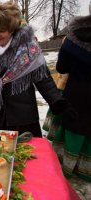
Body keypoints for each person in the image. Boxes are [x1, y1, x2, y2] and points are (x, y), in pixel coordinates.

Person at [0, 1, 72, 137]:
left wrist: (57, 101)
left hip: (22, 117)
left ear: (12, 29)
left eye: (2, 31)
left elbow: (43, 79)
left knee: (24, 155)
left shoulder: (28, 49)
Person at [52, 12, 91, 181]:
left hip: (76, 93)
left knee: (73, 127)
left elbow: (61, 67)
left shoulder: (72, 39)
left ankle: (67, 166)